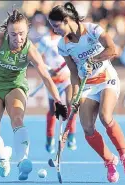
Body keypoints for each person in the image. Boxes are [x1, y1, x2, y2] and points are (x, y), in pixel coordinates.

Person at [0, 9, 68, 181]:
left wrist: (58, 100)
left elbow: (46, 76)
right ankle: (3, 156)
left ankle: (22, 162)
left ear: (27, 31)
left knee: (17, 119)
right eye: (13, 34)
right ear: (7, 32)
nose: (18, 39)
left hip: (16, 86)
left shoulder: (30, 50)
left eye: (21, 34)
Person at [48, 2, 125, 183]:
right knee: (88, 128)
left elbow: (113, 50)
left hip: (106, 79)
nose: (54, 30)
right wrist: (74, 95)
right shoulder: (63, 45)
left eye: (56, 26)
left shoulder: (92, 30)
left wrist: (93, 59)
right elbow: (73, 72)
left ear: (66, 21)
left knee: (105, 116)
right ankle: (110, 161)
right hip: (87, 85)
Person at [37, 25, 77, 153]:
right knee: (53, 110)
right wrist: (48, 69)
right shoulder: (45, 40)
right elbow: (37, 59)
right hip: (52, 81)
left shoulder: (67, 39)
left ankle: (70, 136)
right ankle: (50, 139)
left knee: (72, 104)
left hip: (66, 78)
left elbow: (74, 56)